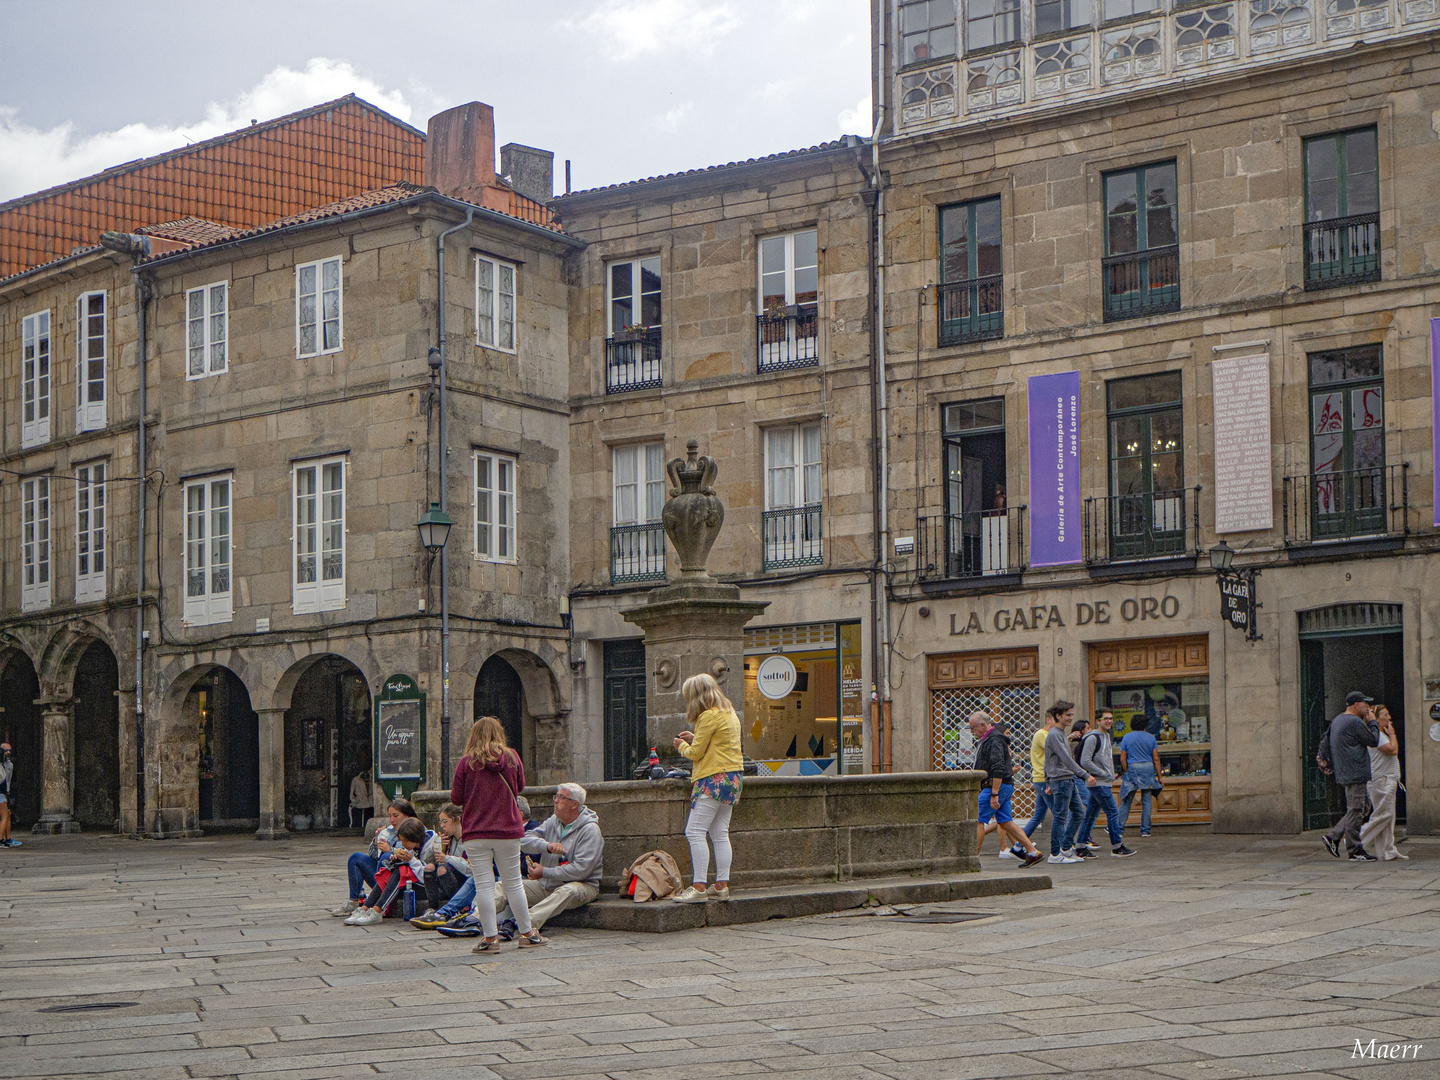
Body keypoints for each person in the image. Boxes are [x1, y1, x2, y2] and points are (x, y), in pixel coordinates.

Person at [450, 715, 546, 951]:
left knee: (483, 885)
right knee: (513, 883)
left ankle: (490, 938)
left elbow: (456, 798)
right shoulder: (512, 758)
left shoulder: (466, 763)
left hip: (476, 831)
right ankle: (526, 934)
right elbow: (520, 787)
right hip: (508, 830)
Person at [488, 782, 604, 937]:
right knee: (503, 885)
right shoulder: (553, 821)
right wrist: (547, 846)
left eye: (561, 797)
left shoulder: (590, 830)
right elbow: (524, 840)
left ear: (574, 804)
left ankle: (521, 922)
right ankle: (475, 920)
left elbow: (581, 870)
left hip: (583, 886)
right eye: (556, 796)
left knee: (568, 890)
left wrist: (545, 872)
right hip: (547, 885)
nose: (556, 800)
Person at [672, 673, 743, 903]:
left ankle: (699, 887)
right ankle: (721, 885)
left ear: (696, 697)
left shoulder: (708, 716)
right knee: (720, 833)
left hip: (712, 779)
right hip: (733, 779)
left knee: (694, 831)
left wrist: (682, 745)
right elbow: (719, 744)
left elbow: (695, 754)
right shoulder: (729, 713)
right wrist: (696, 737)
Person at [970, 713, 1043, 867]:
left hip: (995, 786)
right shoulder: (992, 739)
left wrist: (994, 793)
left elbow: (998, 767)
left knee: (978, 820)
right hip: (1005, 785)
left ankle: (972, 860)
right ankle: (1032, 852)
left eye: (973, 728)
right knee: (1006, 822)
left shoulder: (994, 740)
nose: (972, 732)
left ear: (982, 725)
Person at [1318, 691, 1381, 861]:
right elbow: (1374, 741)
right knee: (1355, 810)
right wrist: (1373, 722)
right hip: (1355, 772)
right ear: (1355, 705)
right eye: (1365, 703)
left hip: (1346, 772)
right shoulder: (1354, 721)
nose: (1367, 707)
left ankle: (1334, 835)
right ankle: (1354, 849)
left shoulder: (1338, 720)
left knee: (1363, 807)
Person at [345, 817, 440, 925]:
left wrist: (411, 860)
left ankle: (377, 910)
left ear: (415, 838)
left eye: (405, 841)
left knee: (400, 873)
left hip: (429, 887)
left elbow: (426, 874)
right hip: (415, 882)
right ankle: (365, 908)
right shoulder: (413, 847)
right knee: (388, 871)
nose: (403, 844)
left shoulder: (431, 847)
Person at [332, 797, 418, 917]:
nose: (392, 820)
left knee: (386, 857)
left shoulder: (415, 830)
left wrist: (391, 850)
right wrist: (376, 842)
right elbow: (373, 856)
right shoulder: (390, 831)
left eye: (396, 816)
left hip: (399, 880)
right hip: (380, 875)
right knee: (356, 857)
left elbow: (409, 854)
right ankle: (354, 900)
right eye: (390, 816)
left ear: (407, 816)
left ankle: (379, 902)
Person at [1076, 709, 1136, 858]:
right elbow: (1085, 761)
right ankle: (1117, 846)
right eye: (1105, 719)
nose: (1109, 721)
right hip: (1098, 782)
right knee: (1113, 812)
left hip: (1102, 781)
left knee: (1090, 814)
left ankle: (1080, 847)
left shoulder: (1106, 736)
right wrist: (1103, 773)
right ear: (1098, 721)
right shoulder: (1093, 738)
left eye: (1111, 718)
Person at [1004, 710, 1060, 860]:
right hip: (1043, 778)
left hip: (1040, 778)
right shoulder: (1042, 735)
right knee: (1059, 813)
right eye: (1057, 719)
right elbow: (1055, 749)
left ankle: (1018, 846)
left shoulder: (1047, 735)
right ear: (1048, 720)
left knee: (1039, 815)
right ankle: (1063, 847)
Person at [409, 803, 472, 925]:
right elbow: (426, 860)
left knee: (442, 869)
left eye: (445, 821)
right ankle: (433, 907)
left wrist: (447, 858)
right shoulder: (447, 839)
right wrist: (437, 846)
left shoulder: (468, 840)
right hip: (446, 880)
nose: (442, 826)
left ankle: (460, 908)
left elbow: (469, 868)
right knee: (429, 867)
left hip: (462, 879)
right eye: (441, 822)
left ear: (457, 820)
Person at [1041, 700, 1087, 864]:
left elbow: (1049, 760)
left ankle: (1066, 848)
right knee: (1060, 817)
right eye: (1068, 715)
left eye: (1071, 714)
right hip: (1061, 780)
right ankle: (1055, 854)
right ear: (1058, 716)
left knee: (1079, 813)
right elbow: (1066, 759)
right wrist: (1085, 775)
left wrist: (1047, 781)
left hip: (1066, 779)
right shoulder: (1054, 734)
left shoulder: (1059, 734)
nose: (1071, 718)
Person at [1358, 705, 1406, 861]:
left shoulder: (1379, 734)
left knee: (1389, 815)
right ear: (1377, 719)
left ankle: (1387, 849)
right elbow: (1392, 750)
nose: (1389, 717)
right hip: (1382, 780)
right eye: (1386, 714)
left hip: (1386, 778)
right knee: (1383, 814)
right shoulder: (1376, 735)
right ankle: (1358, 839)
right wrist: (1392, 734)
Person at [1118, 714, 1162, 838]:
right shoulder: (1151, 738)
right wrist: (1159, 776)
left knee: (1127, 800)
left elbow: (1122, 758)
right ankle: (1145, 830)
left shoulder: (1127, 737)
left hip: (1133, 767)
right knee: (1147, 801)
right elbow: (1156, 758)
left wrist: (1126, 770)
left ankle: (1119, 829)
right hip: (1148, 768)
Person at [0, 742, 18, 847]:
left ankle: (8, 838)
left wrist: (9, 793)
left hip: (4, 792)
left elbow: (8, 780)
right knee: (5, 816)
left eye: (9, 751)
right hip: (1, 793)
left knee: (7, 815)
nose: (8, 753)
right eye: (6, 751)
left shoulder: (9, 765)